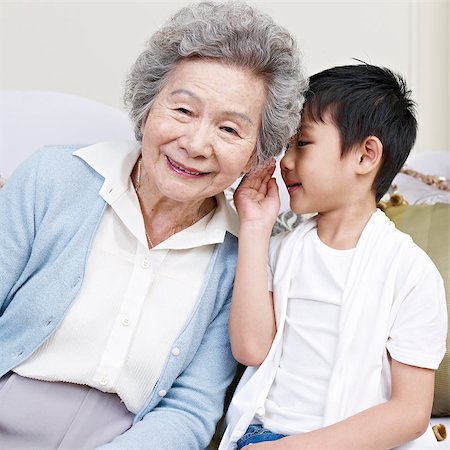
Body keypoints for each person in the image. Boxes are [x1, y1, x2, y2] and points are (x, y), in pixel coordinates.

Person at [0, 2, 307, 448]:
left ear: (257, 155)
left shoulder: (239, 257)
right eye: (183, 110)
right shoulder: (52, 178)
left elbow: (189, 410)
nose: (196, 144)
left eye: (229, 129)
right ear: (147, 107)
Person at [219, 64, 448, 449]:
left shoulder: (410, 273)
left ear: (365, 156)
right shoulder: (280, 248)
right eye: (286, 145)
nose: (286, 161)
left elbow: (409, 413)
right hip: (259, 436)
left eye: (302, 143)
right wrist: (255, 230)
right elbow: (250, 349)